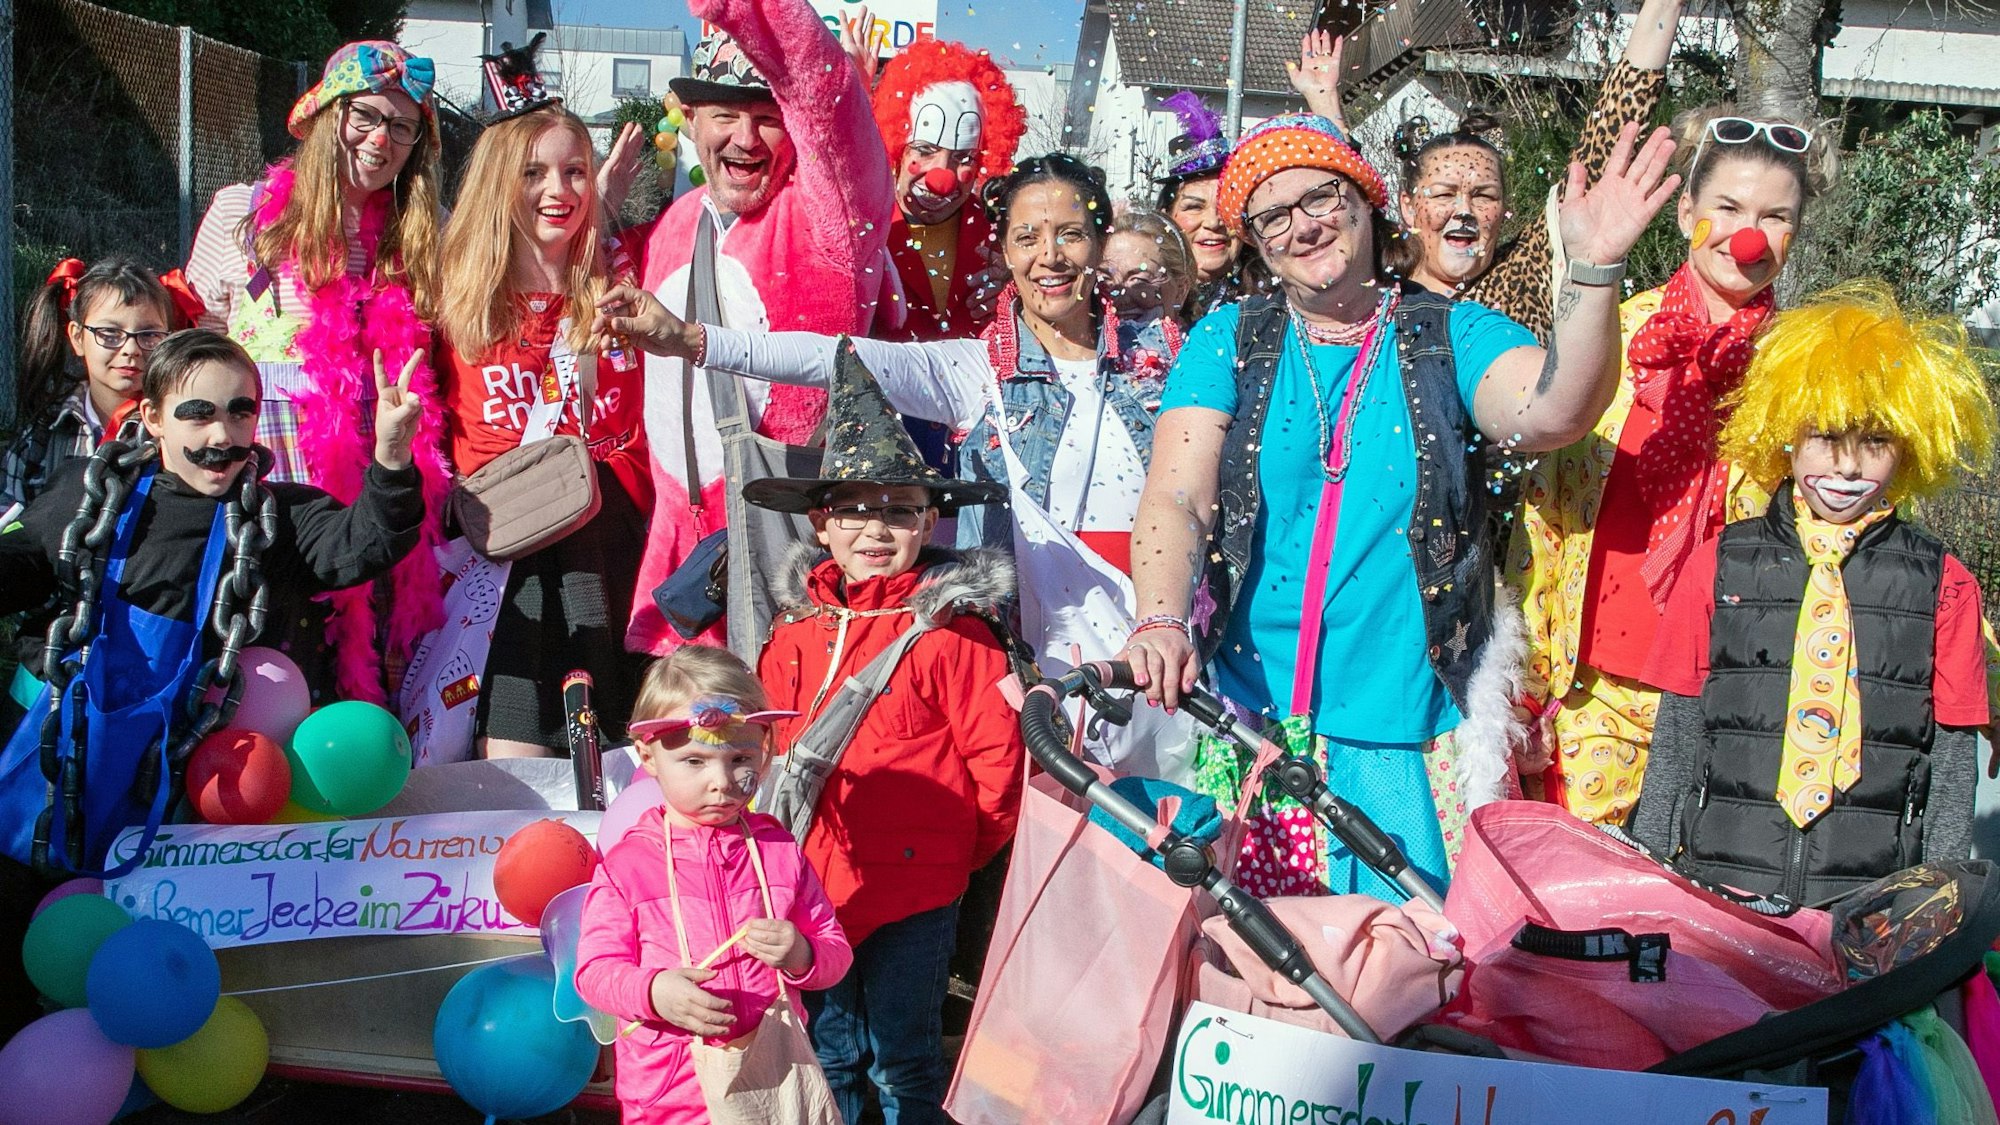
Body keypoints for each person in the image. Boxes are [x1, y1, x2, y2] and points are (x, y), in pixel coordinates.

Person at [1117, 113, 1681, 900]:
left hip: (1405, 730)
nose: (1303, 225)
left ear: (1367, 202)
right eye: (1273, 215)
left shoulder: (1449, 332)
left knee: (1408, 977)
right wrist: (1161, 616)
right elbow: (1179, 494)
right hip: (1248, 721)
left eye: (1320, 197)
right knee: (1246, 972)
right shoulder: (1228, 340)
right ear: (1254, 240)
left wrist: (1593, 271)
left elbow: (1556, 412)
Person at [598, 155, 1183, 703]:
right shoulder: (971, 373)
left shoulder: (1174, 359)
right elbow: (832, 356)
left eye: (1071, 235)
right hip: (1037, 670)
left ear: (1100, 244)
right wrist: (691, 340)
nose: (1049, 257)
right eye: (1027, 238)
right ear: (1004, 251)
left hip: (1160, 653)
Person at [0, 329, 426, 1035]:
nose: (222, 433)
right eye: (198, 412)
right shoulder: (88, 494)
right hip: (50, 771)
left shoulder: (276, 517)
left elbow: (364, 543)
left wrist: (389, 456)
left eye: (240, 411)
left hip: (174, 801)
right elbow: (22, 564)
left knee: (135, 964)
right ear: (151, 418)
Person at [1510, 105, 1827, 825]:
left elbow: (1860, 530)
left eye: (1776, 216)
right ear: (1685, 213)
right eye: (1730, 207)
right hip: (1596, 696)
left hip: (1740, 701)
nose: (1752, 234)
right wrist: (1524, 689)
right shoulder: (1611, 336)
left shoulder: (1811, 371)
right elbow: (1546, 515)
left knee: (1708, 925)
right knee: (1586, 922)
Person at [1629, 282, 1995, 903]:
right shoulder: (1717, 564)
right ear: (1786, 430)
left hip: (1867, 895)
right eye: (1824, 435)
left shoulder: (1947, 582)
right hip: (1724, 880)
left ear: (1912, 444)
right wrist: (1653, 870)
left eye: (1875, 441)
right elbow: (1678, 727)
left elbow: (1955, 760)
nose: (1848, 467)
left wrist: (1937, 895)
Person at [742, 350, 1020, 1125]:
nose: (877, 526)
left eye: (899, 509)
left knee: (904, 1058)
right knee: (828, 1053)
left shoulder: (956, 634)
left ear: (929, 521)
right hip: (812, 888)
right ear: (821, 522)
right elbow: (764, 750)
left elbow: (998, 769)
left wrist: (945, 859)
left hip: (915, 895)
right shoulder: (794, 631)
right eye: (856, 509)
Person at [184, 39, 452, 705]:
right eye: (365, 115)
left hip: (377, 472)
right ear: (328, 114)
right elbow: (199, 349)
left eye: (402, 125)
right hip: (271, 471)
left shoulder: (424, 232)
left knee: (365, 652)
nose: (381, 138)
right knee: (266, 655)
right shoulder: (242, 215)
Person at [627, 0, 896, 656]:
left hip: (788, 573)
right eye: (725, 115)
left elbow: (830, 111)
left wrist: (764, 10)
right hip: (685, 582)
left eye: (767, 118)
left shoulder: (828, 222)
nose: (746, 139)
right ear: (690, 121)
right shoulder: (676, 222)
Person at [431, 99, 651, 760]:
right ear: (500, 180)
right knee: (513, 755)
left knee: (607, 754)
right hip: (505, 560)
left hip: (608, 551)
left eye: (576, 171)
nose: (558, 191)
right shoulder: (449, 290)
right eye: (534, 173)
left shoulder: (626, 281)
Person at [1288, 0, 1685, 337]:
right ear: (1408, 207)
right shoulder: (1377, 284)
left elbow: (1605, 140)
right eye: (1443, 194)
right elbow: (1345, 190)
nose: (1464, 211)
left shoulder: (1525, 273)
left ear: (1504, 208)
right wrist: (1326, 103)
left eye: (1484, 196)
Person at [574, 645, 852, 1125]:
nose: (722, 781)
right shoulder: (629, 865)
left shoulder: (778, 851)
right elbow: (594, 972)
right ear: (649, 757)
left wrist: (802, 954)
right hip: (671, 1097)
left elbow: (835, 953)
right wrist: (654, 990)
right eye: (696, 761)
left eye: (741, 757)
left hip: (774, 1083)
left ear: (766, 748)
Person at [869, 39, 1025, 473]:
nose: (942, 177)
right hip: (884, 442)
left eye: (962, 159)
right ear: (897, 144)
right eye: (924, 151)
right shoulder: (866, 224)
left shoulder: (1000, 235)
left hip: (974, 446)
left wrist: (1011, 301)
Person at [3, 258, 201, 512]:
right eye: (109, 334)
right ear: (77, 337)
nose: (131, 349)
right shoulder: (41, 438)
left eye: (149, 335)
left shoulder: (180, 430)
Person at [1154, 91, 1264, 315]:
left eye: (1226, 206)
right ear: (1166, 217)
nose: (1214, 223)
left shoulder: (1271, 301)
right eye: (1194, 207)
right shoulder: (1136, 296)